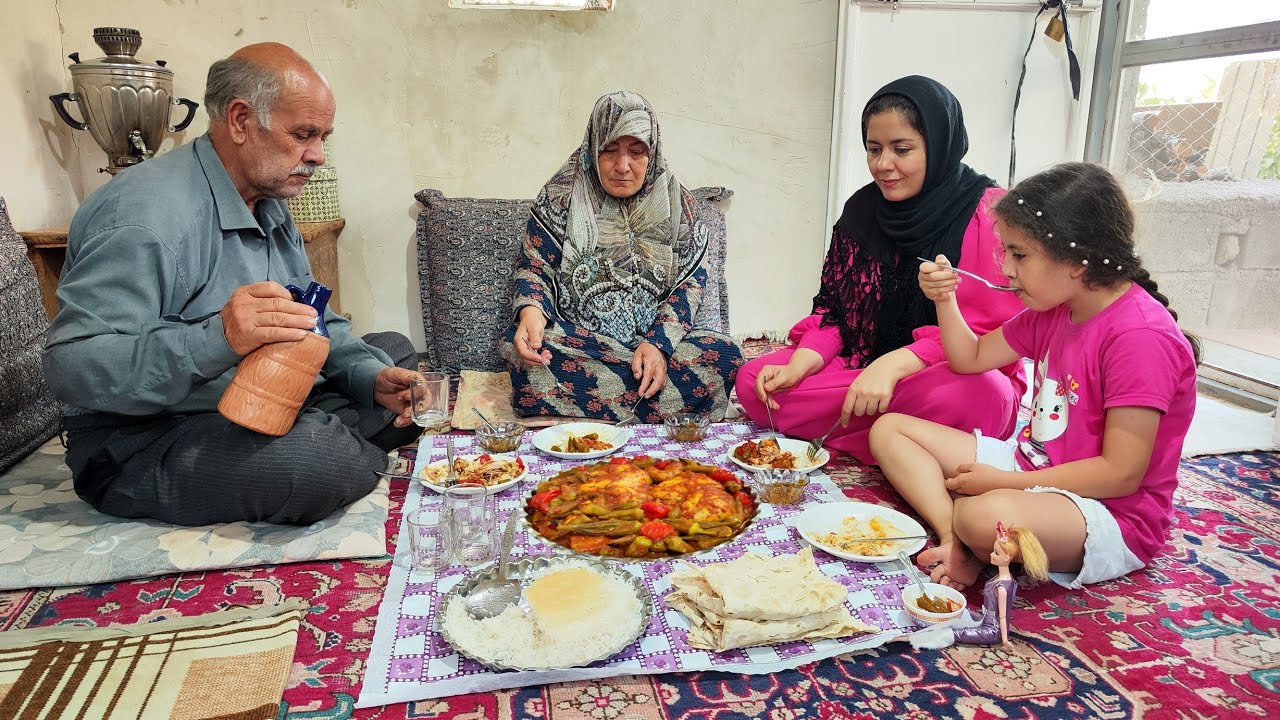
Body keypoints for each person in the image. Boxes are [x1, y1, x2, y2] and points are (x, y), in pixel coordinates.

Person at [43, 43, 422, 526]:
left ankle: (321, 437)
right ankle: (328, 448)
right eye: (303, 134)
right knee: (316, 461)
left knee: (393, 356)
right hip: (146, 438)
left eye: (323, 136)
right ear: (241, 120)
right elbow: (72, 370)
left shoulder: (267, 197)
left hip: (261, 394)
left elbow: (314, 316)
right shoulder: (143, 218)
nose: (318, 156)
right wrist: (218, 338)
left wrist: (370, 379)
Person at [869, 162, 1200, 591]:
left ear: (1076, 261)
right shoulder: (1055, 311)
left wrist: (1005, 483)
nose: (1006, 269)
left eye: (1019, 254)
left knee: (981, 513)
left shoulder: (1139, 337)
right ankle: (957, 539)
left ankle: (968, 533)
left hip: (1110, 512)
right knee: (890, 430)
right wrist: (945, 299)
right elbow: (969, 357)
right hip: (1037, 468)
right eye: (1005, 251)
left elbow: (1121, 474)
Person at [735, 76, 1026, 464]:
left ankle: (883, 435)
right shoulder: (862, 211)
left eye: (901, 149)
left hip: (946, 374)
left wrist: (895, 364)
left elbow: (990, 337)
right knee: (756, 381)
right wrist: (803, 361)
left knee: (984, 393)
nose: (883, 165)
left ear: (938, 146)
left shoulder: (988, 214)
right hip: (866, 368)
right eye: (874, 149)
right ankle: (903, 442)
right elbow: (836, 313)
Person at [500, 91, 743, 422]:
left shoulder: (682, 207)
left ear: (652, 152)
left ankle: (589, 403)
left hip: (658, 349)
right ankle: (657, 406)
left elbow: (690, 286)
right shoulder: (558, 198)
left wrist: (658, 345)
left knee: (724, 354)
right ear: (592, 148)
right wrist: (532, 314)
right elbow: (535, 268)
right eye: (610, 150)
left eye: (636, 152)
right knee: (520, 351)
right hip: (583, 344)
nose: (622, 166)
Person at [950, 523, 1048, 648]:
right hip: (984, 619)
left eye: (996, 553)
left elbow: (1002, 616)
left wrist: (1005, 640)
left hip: (992, 631)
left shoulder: (1002, 588)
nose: (991, 554)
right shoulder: (1004, 579)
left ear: (1007, 557)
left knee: (957, 633)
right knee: (959, 613)